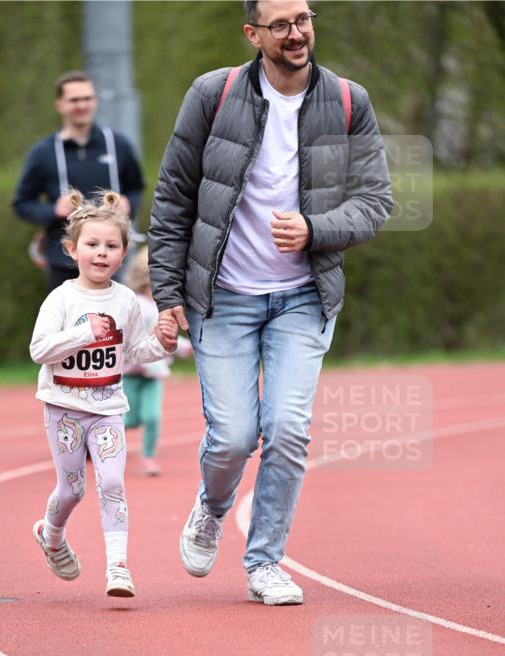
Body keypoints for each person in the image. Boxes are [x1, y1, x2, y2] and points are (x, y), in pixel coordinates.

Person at [148, 1, 393, 606]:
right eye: (280, 24)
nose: (296, 33)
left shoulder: (346, 101)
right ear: (252, 34)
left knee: (286, 430)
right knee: (233, 437)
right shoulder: (213, 93)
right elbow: (174, 198)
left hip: (302, 298)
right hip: (222, 297)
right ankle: (211, 507)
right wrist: (168, 296)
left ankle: (264, 563)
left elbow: (376, 200)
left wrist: (316, 228)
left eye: (303, 19)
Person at [29, 190, 176, 598]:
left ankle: (118, 568)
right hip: (64, 409)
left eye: (112, 246)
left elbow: (132, 352)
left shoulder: (126, 300)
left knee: (112, 483)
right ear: (72, 248)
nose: (101, 253)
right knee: (72, 489)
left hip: (108, 407)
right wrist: (83, 334)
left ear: (124, 252)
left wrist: (162, 343)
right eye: (92, 244)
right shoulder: (61, 298)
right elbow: (38, 350)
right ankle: (51, 535)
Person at [12, 71, 145, 292]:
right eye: (74, 100)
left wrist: (128, 204)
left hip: (110, 258)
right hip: (63, 259)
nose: (82, 105)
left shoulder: (118, 145)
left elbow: (136, 188)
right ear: (60, 105)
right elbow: (22, 203)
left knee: (112, 321)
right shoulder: (43, 153)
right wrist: (54, 210)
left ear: (95, 101)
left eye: (87, 98)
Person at [122, 247, 193, 476]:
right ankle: (96, 443)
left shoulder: (164, 307)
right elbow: (140, 335)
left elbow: (166, 337)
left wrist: (184, 347)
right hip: (130, 374)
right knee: (129, 421)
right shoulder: (139, 305)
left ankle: (148, 458)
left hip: (153, 376)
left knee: (152, 417)